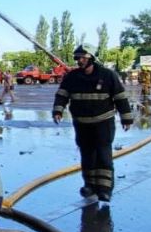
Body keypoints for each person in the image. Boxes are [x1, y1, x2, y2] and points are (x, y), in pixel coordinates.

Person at [53, 44, 133, 202]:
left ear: (91, 58)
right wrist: (57, 111)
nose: (79, 60)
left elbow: (120, 97)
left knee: (103, 155)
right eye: (77, 58)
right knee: (87, 155)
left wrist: (126, 117)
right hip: (82, 124)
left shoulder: (107, 75)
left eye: (82, 57)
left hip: (103, 122)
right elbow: (62, 94)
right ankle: (89, 185)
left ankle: (104, 189)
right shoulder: (72, 77)